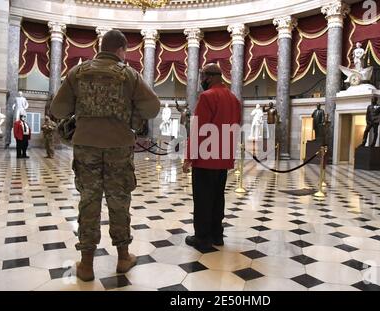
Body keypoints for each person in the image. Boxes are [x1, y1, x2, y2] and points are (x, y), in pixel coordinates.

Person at [51, 29, 160, 282]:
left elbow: (58, 108)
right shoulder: (129, 75)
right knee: (119, 201)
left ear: (101, 46)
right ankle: (123, 257)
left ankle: (87, 265)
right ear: (122, 50)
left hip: (86, 146)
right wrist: (131, 111)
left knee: (89, 201)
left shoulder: (78, 73)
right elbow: (152, 107)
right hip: (119, 147)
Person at [183, 63, 241, 250]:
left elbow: (198, 128)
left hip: (205, 158)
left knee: (203, 199)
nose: (201, 81)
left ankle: (202, 237)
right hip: (222, 158)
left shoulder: (207, 96)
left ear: (208, 77)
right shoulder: (233, 99)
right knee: (217, 197)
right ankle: (217, 235)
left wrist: (188, 157)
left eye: (202, 77)